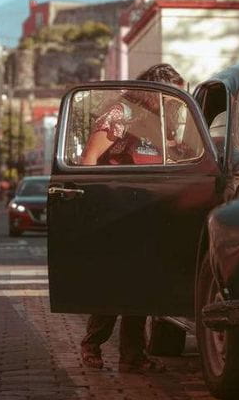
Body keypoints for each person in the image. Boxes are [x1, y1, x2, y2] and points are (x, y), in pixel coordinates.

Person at [78, 63, 185, 373]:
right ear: (154, 91)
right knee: (116, 283)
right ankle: (92, 343)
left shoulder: (160, 120)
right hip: (118, 207)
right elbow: (90, 159)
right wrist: (94, 204)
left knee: (142, 284)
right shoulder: (120, 113)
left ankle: (132, 355)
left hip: (149, 209)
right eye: (171, 94)